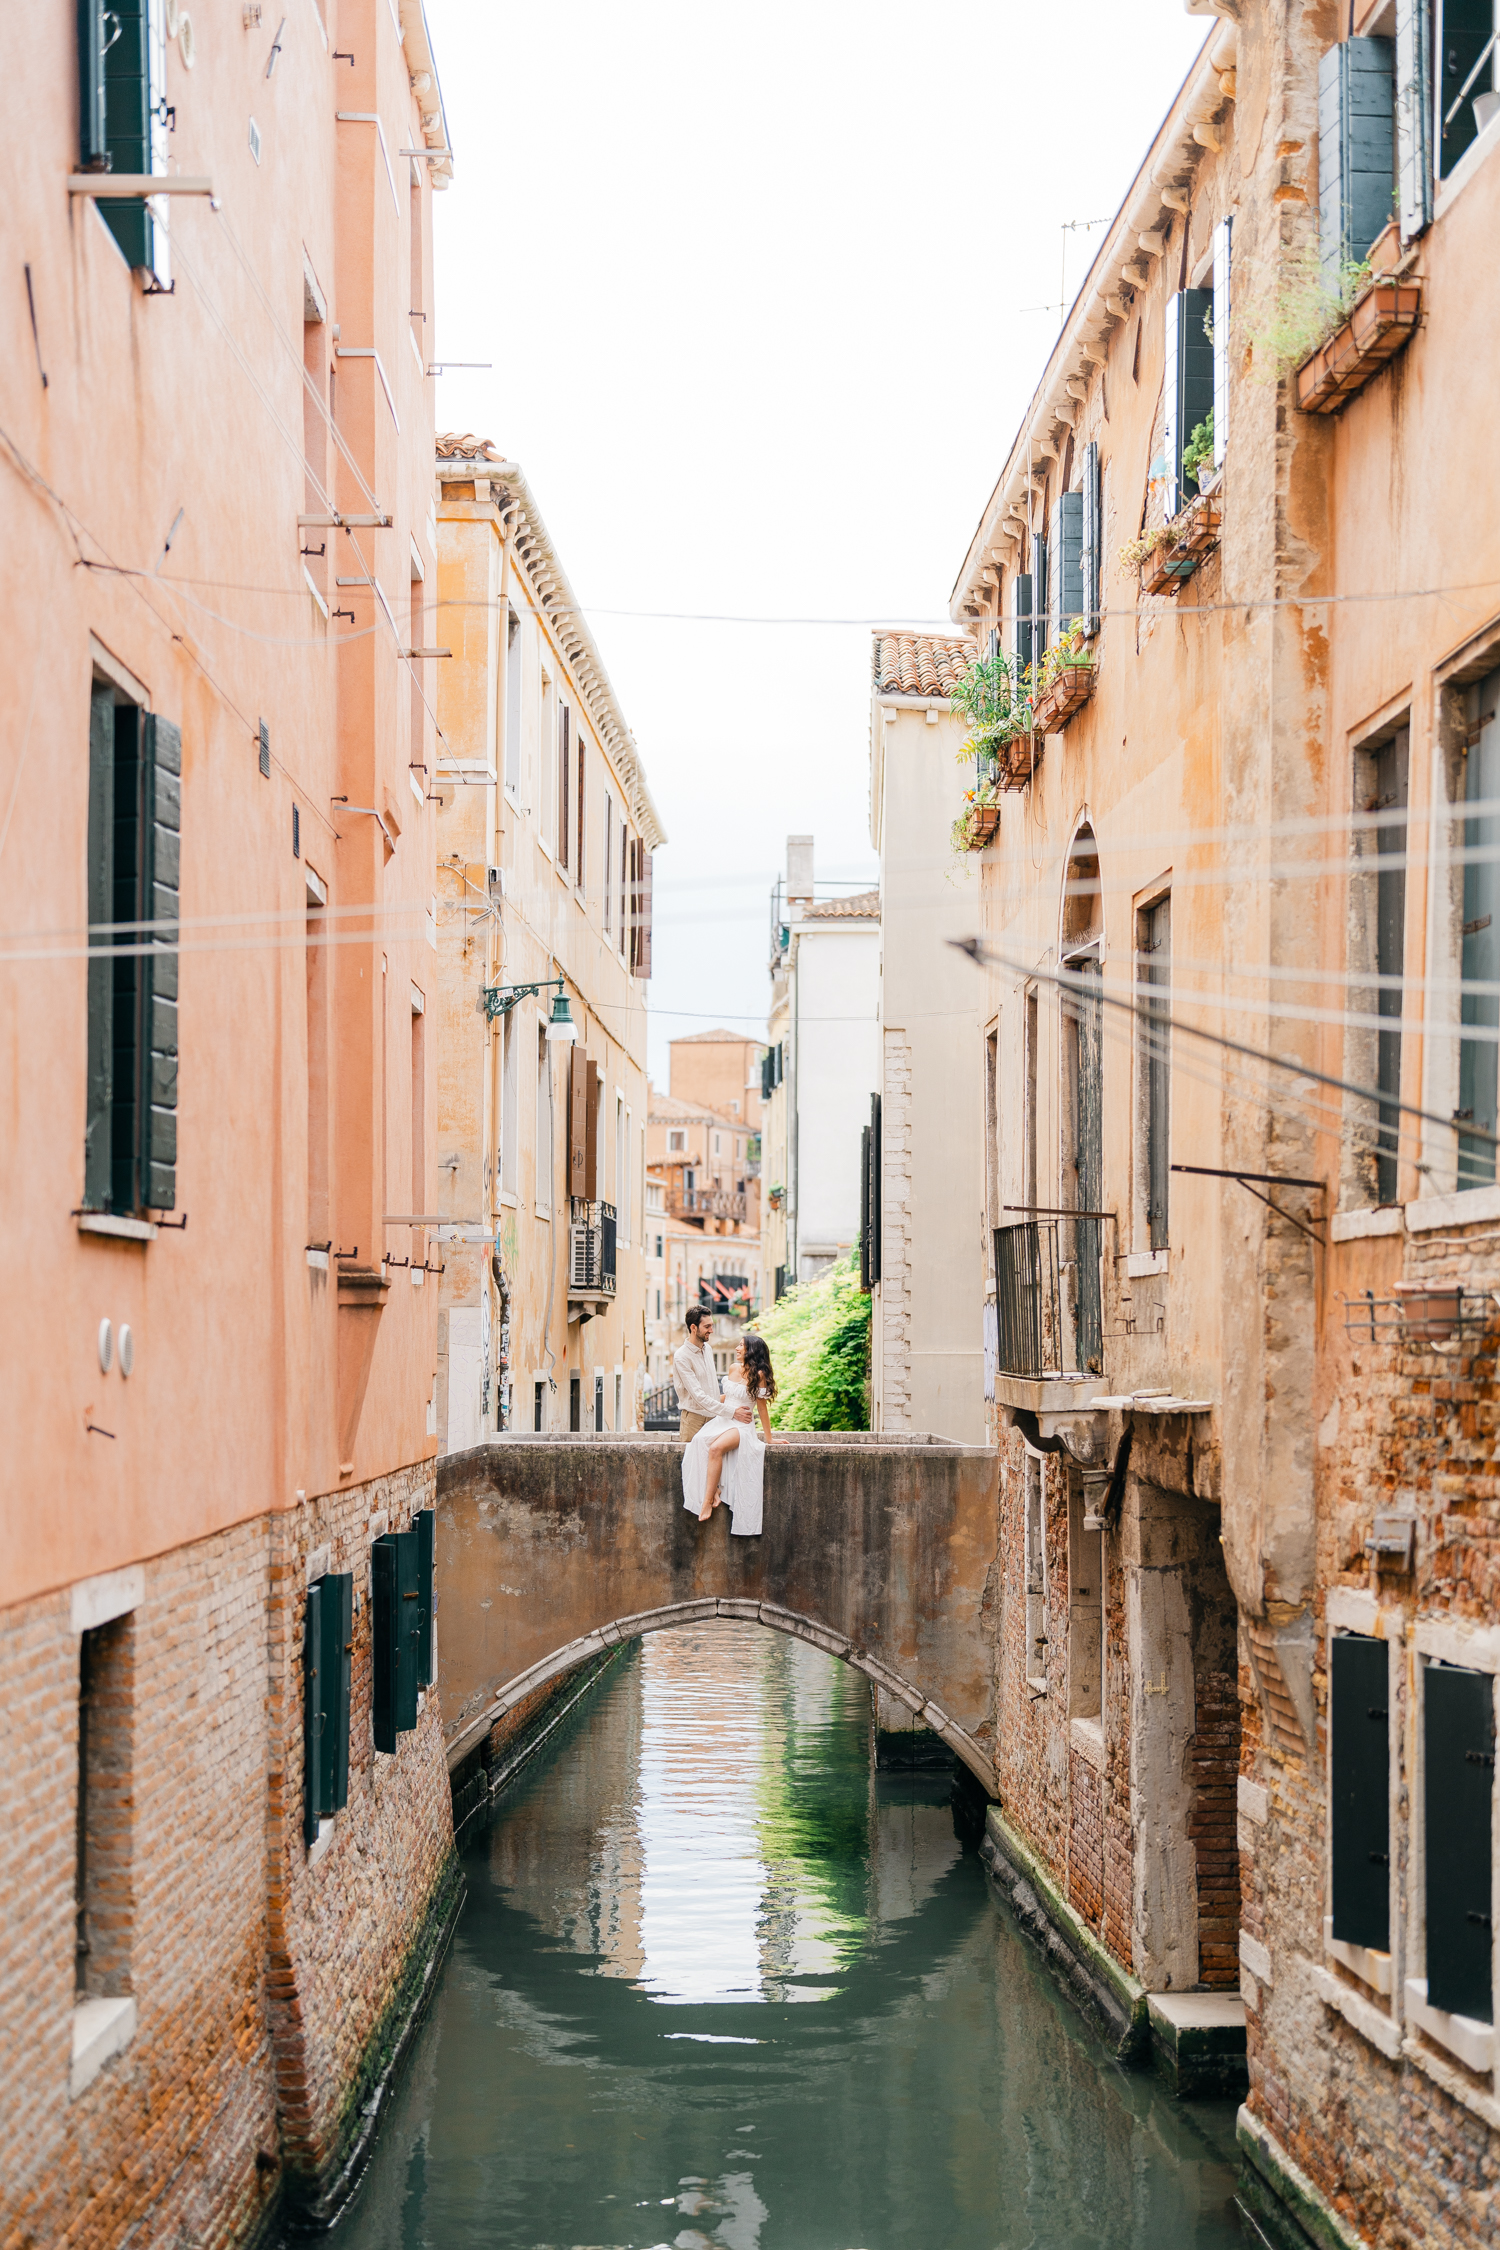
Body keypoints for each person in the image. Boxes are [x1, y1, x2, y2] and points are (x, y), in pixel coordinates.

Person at [681, 1334, 778, 1537]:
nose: (737, 1348)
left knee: (716, 1448)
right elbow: (728, 1397)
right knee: (698, 1443)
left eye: (741, 1345)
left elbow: (761, 1409)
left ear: (751, 1350)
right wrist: (704, 1402)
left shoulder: (759, 1374)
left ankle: (707, 1502)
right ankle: (715, 1489)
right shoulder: (734, 1368)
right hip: (724, 1418)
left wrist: (769, 1439)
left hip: (742, 1425)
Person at [673, 1306, 737, 1443]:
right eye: (707, 1326)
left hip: (714, 1419)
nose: (711, 1330)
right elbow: (698, 1396)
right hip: (693, 1421)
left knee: (714, 1462)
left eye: (712, 1326)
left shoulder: (708, 1349)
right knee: (692, 1463)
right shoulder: (681, 1356)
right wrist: (731, 1412)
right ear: (693, 1327)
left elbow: (711, 1387)